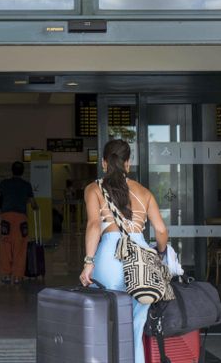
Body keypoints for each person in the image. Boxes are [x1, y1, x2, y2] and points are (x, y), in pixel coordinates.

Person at [79, 140, 169, 363]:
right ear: (128, 163)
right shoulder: (144, 192)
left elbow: (94, 225)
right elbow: (161, 230)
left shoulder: (93, 189)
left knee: (105, 324)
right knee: (136, 327)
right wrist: (160, 253)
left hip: (109, 258)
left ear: (104, 163)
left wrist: (89, 262)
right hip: (141, 259)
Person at [0, 161, 38, 284]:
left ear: (12, 171)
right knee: (20, 247)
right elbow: (33, 204)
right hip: (21, 219)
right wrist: (31, 204)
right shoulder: (26, 185)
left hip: (6, 218)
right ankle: (17, 276)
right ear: (22, 172)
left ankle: (6, 275)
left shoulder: (4, 183)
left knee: (5, 246)